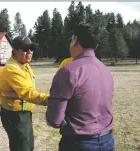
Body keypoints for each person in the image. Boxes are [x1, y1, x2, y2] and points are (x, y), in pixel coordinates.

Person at [46, 23, 115, 151]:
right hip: (108, 139)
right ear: (96, 44)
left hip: (79, 143)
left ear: (75, 40)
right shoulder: (105, 70)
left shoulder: (69, 71)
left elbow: (55, 119)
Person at [0, 36, 49, 151]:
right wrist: (51, 99)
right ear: (15, 51)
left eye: (31, 48)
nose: (30, 52)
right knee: (22, 148)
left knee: (28, 146)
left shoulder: (24, 65)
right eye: (25, 49)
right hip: (15, 116)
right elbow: (27, 93)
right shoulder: (12, 69)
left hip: (24, 114)